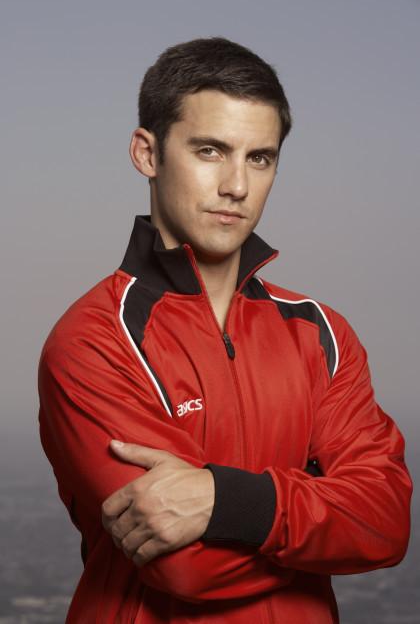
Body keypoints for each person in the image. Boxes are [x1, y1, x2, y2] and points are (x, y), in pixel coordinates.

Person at [38, 37, 412, 624]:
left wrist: (224, 501)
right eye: (210, 151)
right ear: (147, 153)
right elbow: (186, 566)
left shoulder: (321, 333)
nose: (237, 185)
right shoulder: (92, 341)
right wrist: (320, 516)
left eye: (259, 158)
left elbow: (385, 524)